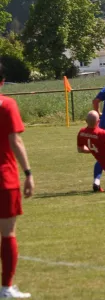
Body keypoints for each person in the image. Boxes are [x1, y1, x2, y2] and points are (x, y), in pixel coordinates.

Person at [0, 62, 34, 298]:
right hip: (4, 177)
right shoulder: (7, 104)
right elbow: (16, 141)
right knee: (8, 232)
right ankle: (6, 288)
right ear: (2, 81)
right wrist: (29, 173)